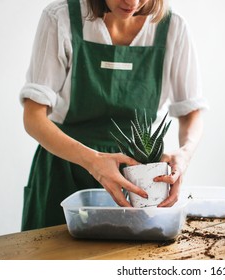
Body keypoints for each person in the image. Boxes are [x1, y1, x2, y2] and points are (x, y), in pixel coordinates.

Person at [20, 0, 207, 231]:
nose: (133, 2)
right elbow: (33, 118)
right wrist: (93, 162)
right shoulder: (60, 18)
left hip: (138, 173)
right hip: (64, 167)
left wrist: (184, 154)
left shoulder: (173, 27)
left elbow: (190, 112)